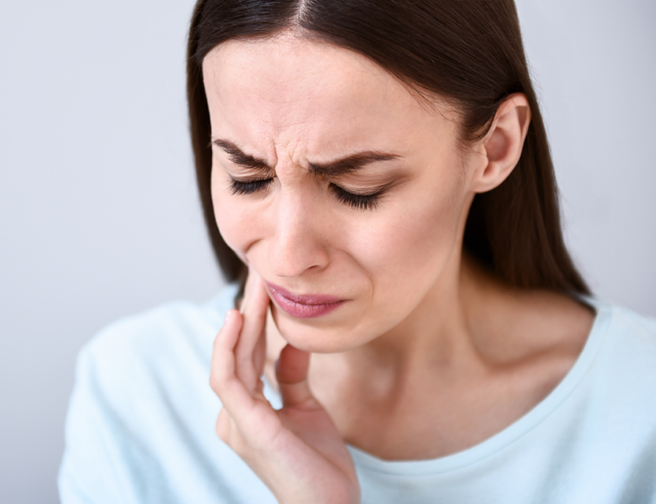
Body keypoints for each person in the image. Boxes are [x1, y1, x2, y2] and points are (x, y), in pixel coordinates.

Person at [59, 0, 656, 502]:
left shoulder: (639, 411)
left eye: (356, 189)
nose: (288, 257)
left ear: (495, 147)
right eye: (248, 178)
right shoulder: (135, 395)